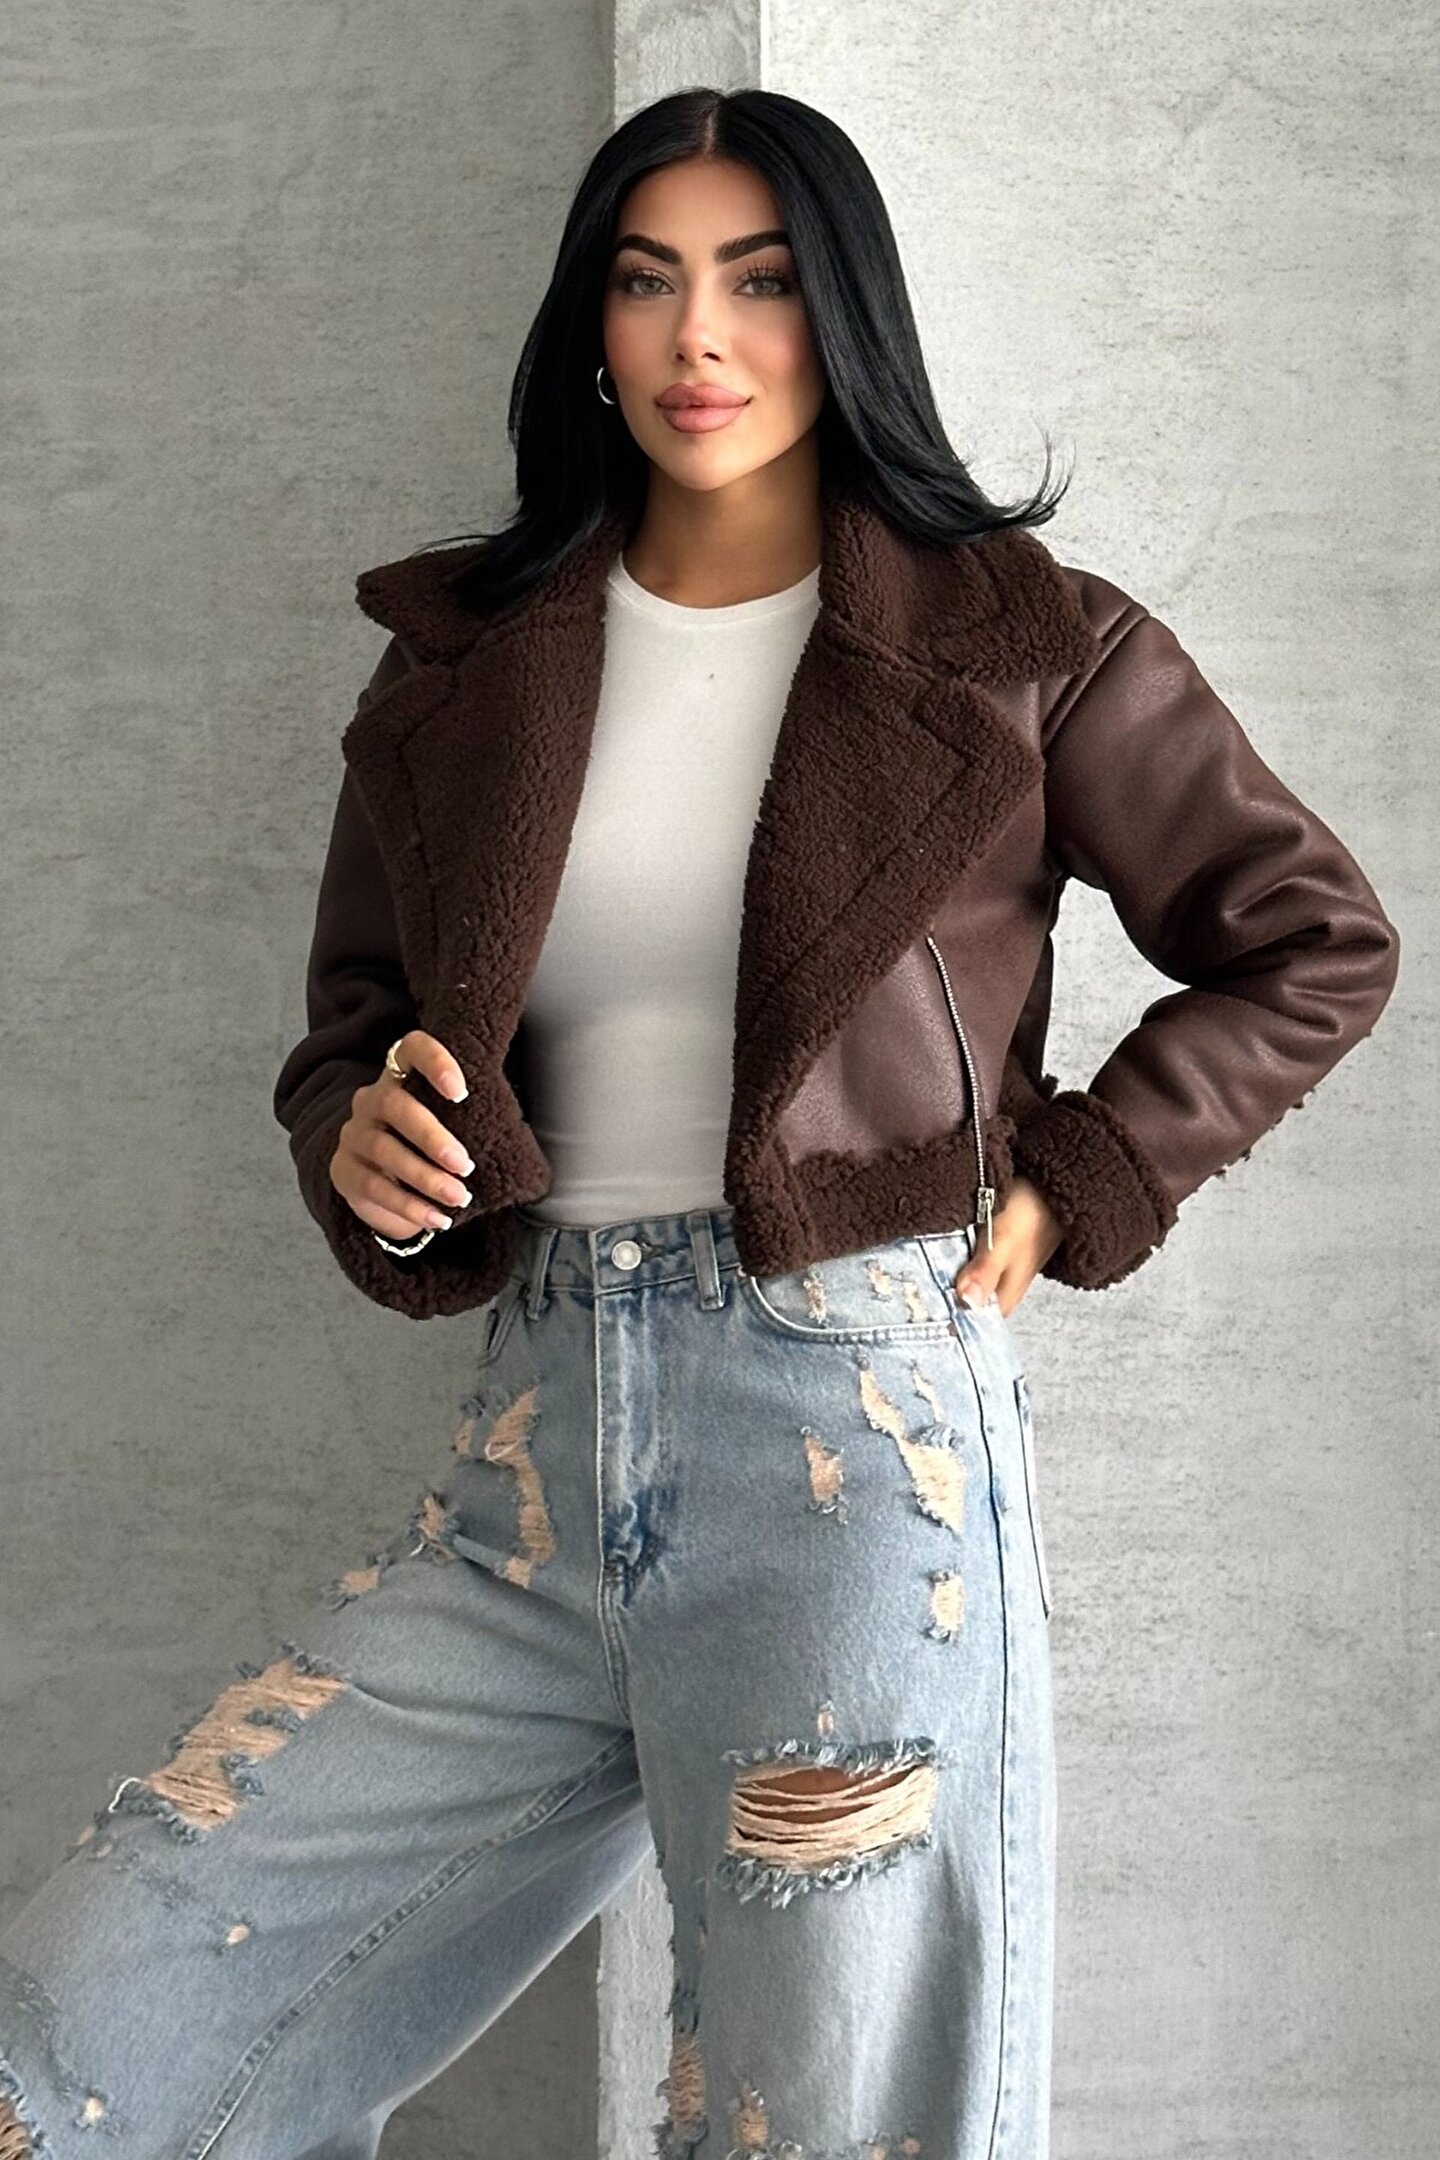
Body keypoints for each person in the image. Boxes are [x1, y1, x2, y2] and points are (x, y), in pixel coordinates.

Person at [0, 85, 1399, 2160]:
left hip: (852, 1470)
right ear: (592, 325)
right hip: (528, 1472)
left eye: (760, 280)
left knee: (817, 2131)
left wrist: (1087, 1174)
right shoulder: (464, 666)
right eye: (648, 282)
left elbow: (1310, 939)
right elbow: (354, 1034)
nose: (701, 337)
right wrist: (361, 1141)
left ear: (845, 314)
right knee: (80, 2054)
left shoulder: (1025, 648)